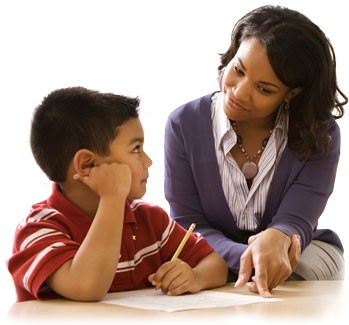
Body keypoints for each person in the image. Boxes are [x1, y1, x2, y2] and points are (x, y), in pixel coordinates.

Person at [164, 5, 347, 298]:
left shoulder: (319, 133)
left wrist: (278, 238)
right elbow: (188, 224)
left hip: (300, 253)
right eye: (238, 70)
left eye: (264, 89)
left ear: (292, 93)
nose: (239, 92)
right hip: (209, 253)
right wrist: (247, 257)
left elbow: (296, 221)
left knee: (288, 277)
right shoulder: (183, 124)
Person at [7, 87, 227, 302]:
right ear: (87, 164)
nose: (148, 161)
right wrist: (111, 197)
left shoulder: (150, 219)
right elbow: (87, 286)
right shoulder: (37, 229)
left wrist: (195, 276)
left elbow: (215, 264)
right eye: (136, 149)